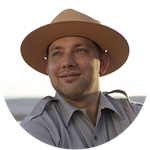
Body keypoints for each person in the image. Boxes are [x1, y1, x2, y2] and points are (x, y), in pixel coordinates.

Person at [19, 9, 143, 149]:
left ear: (102, 63)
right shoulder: (36, 129)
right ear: (48, 68)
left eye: (80, 50)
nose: (67, 62)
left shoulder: (133, 114)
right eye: (57, 53)